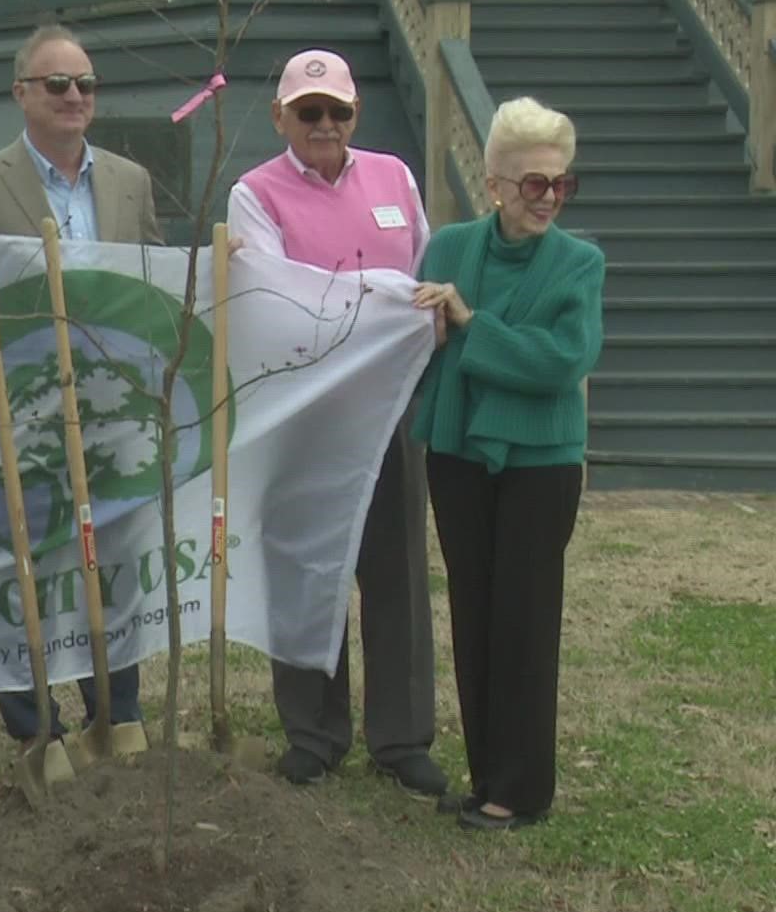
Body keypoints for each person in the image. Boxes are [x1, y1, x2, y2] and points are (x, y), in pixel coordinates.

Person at [225, 47, 449, 799]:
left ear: (356, 113)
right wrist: (375, 296)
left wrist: (412, 303)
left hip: (388, 409)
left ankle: (401, 736)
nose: (324, 124)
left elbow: (421, 270)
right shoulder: (253, 193)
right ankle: (313, 733)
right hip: (305, 417)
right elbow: (272, 296)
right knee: (305, 569)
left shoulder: (396, 177)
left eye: (337, 111)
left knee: (396, 574)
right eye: (308, 111)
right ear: (281, 116)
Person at [0, 23, 156, 753]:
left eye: (85, 84)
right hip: (23, 410)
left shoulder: (131, 182)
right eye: (57, 84)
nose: (75, 96)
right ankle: (37, 728)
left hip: (112, 407)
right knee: (18, 568)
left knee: (117, 561)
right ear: (21, 93)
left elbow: (149, 289)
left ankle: (117, 714)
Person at [411, 97, 602, 831]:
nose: (549, 197)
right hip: (457, 453)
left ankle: (521, 789)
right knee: (473, 611)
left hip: (540, 464)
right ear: (493, 183)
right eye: (533, 184)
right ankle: (487, 769)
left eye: (561, 183)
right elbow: (416, 338)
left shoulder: (579, 264)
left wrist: (471, 325)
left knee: (524, 619)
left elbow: (562, 361)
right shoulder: (449, 247)